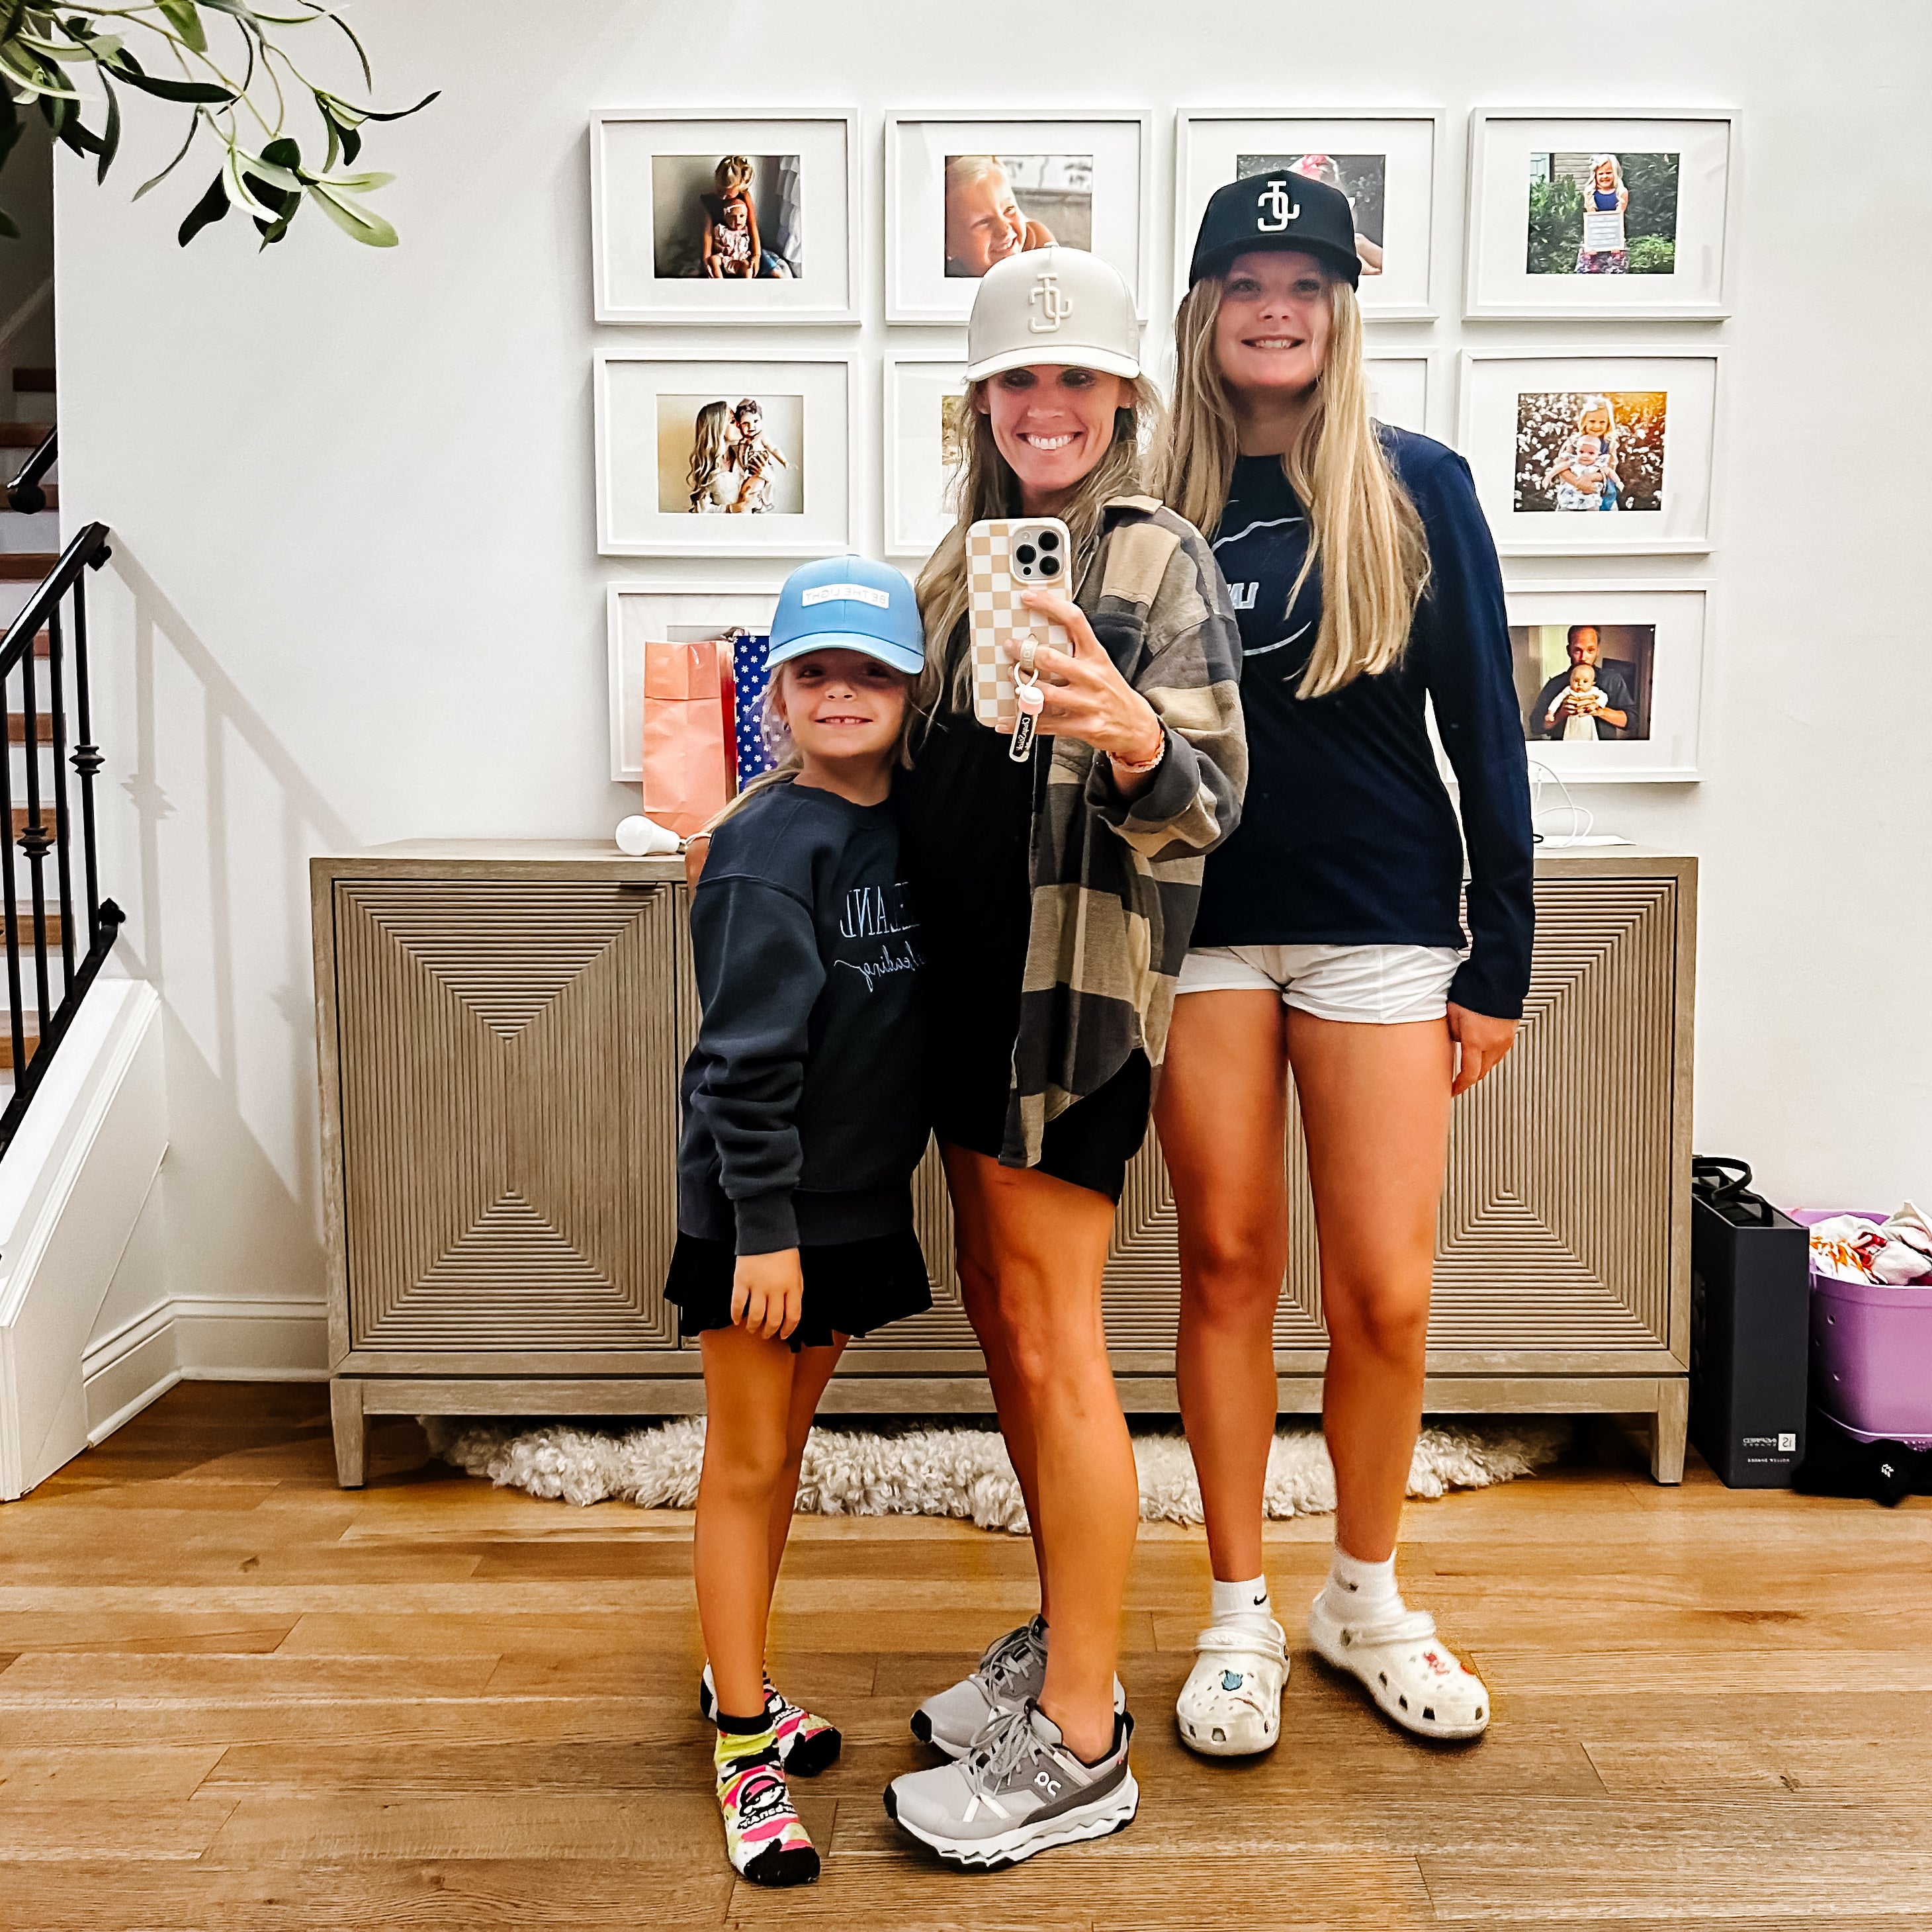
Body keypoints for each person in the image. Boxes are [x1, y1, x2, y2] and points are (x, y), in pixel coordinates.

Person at [1153, 172, 1534, 1758]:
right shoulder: (1142, 494)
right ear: (1204, 309)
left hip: (1382, 922)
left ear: (1340, 306)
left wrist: (1500, 955)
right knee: (1228, 1270)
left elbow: (1487, 732)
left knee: (1382, 1289)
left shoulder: (1416, 483)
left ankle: (1362, 1593)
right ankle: (1238, 1613)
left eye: (1304, 280)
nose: (1275, 306)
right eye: (1245, 279)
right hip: (1191, 927)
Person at [883, 246, 1245, 1867]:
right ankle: (1063, 1633)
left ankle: (1085, 1739)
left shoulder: (1160, 558)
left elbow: (1210, 803)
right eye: (1018, 382)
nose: (1047, 406)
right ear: (984, 402)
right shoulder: (962, 568)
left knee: (1057, 1341)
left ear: (1122, 401)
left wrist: (1135, 731)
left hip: (1068, 1011)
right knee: (1003, 1322)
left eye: (1075, 382)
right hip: (961, 998)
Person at [670, 557, 935, 1889]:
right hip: (757, 1216)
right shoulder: (770, 849)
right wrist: (760, 1231)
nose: (843, 692)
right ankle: (736, 1744)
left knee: (781, 1459)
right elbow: (739, 1064)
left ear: (909, 689)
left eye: (870, 671)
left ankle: (747, 1675)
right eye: (816, 671)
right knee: (744, 1459)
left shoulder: (903, 824)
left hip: (843, 1209)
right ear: (778, 693)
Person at [944, 154, 1056, 277]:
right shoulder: (936, 274)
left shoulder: (1038, 246)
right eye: (984, 222)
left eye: (1009, 209)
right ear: (948, 244)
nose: (1005, 229)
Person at [1529, 625, 1635, 740]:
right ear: (1569, 651)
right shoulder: (1554, 684)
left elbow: (1633, 720)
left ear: (1597, 651)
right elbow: (1535, 726)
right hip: (1564, 753)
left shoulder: (1613, 679)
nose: (1584, 657)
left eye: (1590, 650)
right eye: (1578, 650)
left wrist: (1600, 711)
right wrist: (1560, 714)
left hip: (1602, 753)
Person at [1288, 154, 1384, 275]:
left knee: (1357, 240)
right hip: (1310, 250)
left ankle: (1391, 264)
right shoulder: (1294, 210)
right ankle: (1367, 270)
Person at [1543, 396, 1622, 512]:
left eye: (1602, 422)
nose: (1596, 426)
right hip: (1573, 491)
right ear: (1584, 420)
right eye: (1592, 421)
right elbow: (1563, 468)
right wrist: (1577, 482)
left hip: (1598, 493)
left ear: (1608, 423)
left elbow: (1609, 471)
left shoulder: (1609, 444)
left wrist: (1589, 478)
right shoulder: (1574, 441)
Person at [727, 398, 788, 514]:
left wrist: (785, 462)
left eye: (756, 421)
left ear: (761, 421)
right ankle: (757, 506)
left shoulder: (761, 436)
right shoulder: (739, 440)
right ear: (739, 424)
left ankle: (760, 506)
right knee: (745, 490)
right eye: (746, 423)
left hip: (761, 471)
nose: (752, 427)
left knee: (748, 491)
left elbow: (774, 448)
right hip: (749, 472)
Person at [1575, 153, 1630, 274]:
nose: (1605, 176)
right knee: (1589, 271)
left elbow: (1617, 220)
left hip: (1614, 238)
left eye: (1608, 172)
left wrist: (1615, 242)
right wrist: (1593, 243)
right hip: (1595, 237)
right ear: (1595, 174)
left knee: (1616, 271)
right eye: (1601, 173)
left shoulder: (1621, 193)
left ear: (1615, 173)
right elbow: (1593, 220)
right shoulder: (1590, 193)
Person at [687, 400, 741, 513]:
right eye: (732, 421)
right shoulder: (706, 465)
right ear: (718, 429)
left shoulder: (744, 454)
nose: (739, 424)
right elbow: (702, 510)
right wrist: (735, 508)